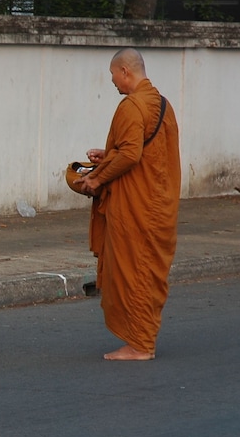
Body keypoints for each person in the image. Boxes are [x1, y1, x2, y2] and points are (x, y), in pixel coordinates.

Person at [76, 48, 181, 361]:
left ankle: (140, 345)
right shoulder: (162, 104)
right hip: (159, 202)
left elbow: (131, 155)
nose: (113, 83)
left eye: (113, 76)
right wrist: (107, 156)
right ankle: (142, 339)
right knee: (146, 271)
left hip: (138, 207)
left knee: (134, 272)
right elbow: (145, 154)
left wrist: (96, 178)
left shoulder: (132, 105)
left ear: (125, 71)